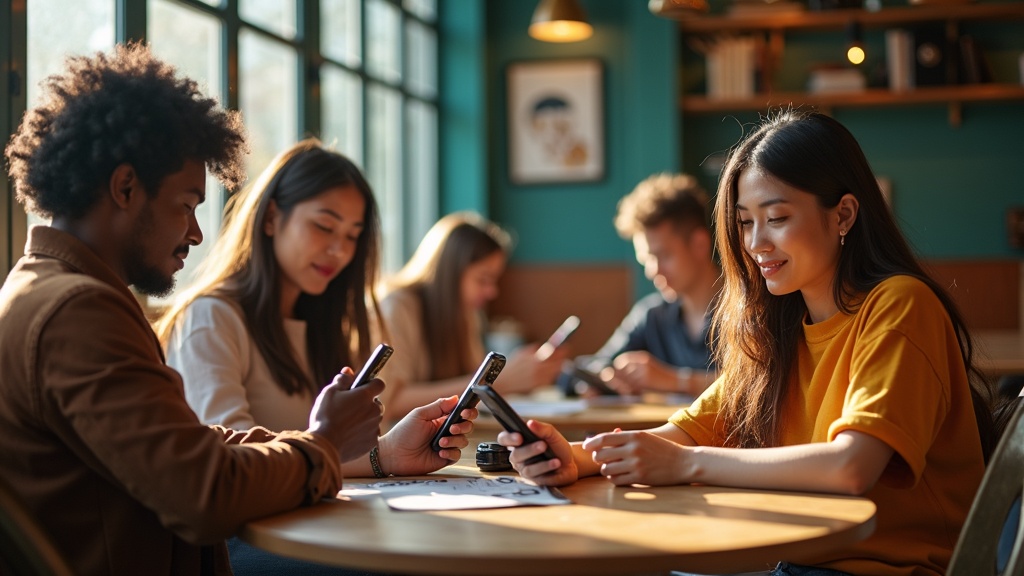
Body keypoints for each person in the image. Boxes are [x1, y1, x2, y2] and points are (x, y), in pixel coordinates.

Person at [0, 44, 475, 576]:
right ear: (126, 187)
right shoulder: (76, 310)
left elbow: (194, 444)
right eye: (186, 206)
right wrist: (323, 441)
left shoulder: (54, 290)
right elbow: (203, 494)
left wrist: (370, 452)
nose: (196, 233)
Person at [499, 110, 1000, 576]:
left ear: (844, 215)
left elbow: (851, 467)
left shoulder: (899, 305)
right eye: (744, 222)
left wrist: (684, 465)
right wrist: (575, 458)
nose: (756, 243)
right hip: (801, 560)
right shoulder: (779, 328)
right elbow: (686, 433)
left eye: (777, 218)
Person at [377, 211, 567, 421]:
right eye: (483, 279)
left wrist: (523, 379)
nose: (492, 292)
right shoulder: (397, 308)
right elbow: (388, 403)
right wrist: (494, 382)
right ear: (450, 272)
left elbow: (471, 383)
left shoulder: (466, 313)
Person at [563, 173, 720, 397]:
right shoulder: (651, 315)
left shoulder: (749, 309)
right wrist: (602, 379)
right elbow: (583, 369)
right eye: (646, 260)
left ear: (700, 244)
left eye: (663, 256)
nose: (653, 270)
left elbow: (757, 383)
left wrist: (674, 380)